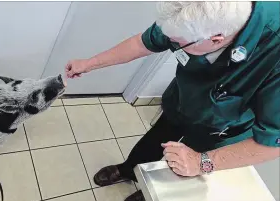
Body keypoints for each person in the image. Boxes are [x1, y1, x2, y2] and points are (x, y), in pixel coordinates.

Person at [65, 2, 280, 201]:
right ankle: (128, 169)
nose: (171, 44)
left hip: (222, 128)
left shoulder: (274, 50)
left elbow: (273, 144)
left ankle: (146, 193)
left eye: (177, 42)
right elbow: (143, 43)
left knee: (183, 165)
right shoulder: (196, 12)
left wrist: (200, 162)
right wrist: (90, 64)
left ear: (216, 39)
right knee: (155, 139)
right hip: (182, 101)